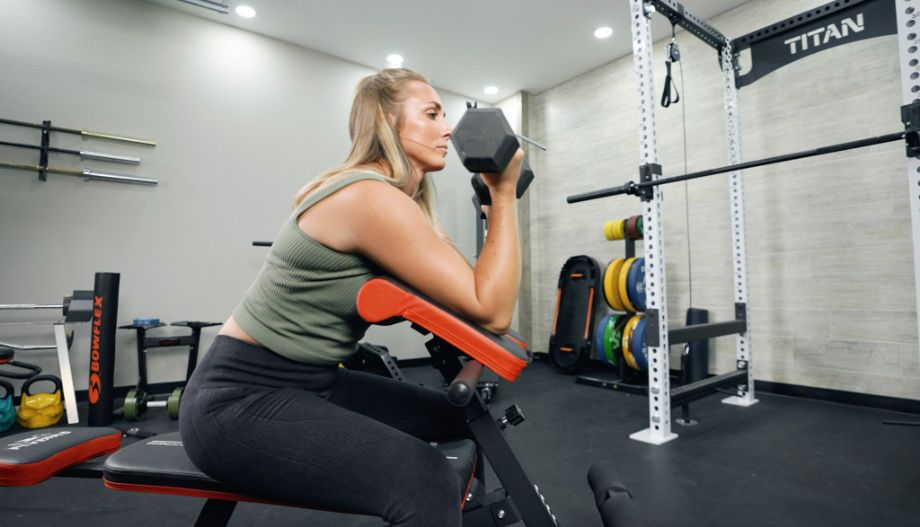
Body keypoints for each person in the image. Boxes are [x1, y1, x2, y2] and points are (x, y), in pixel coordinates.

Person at [179, 67, 524, 527]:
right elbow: (493, 309)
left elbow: (468, 293)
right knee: (425, 479)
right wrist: (503, 196)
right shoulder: (369, 198)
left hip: (314, 382)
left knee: (462, 419)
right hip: (237, 401)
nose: (447, 129)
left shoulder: (392, 201)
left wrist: (493, 207)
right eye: (432, 114)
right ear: (388, 122)